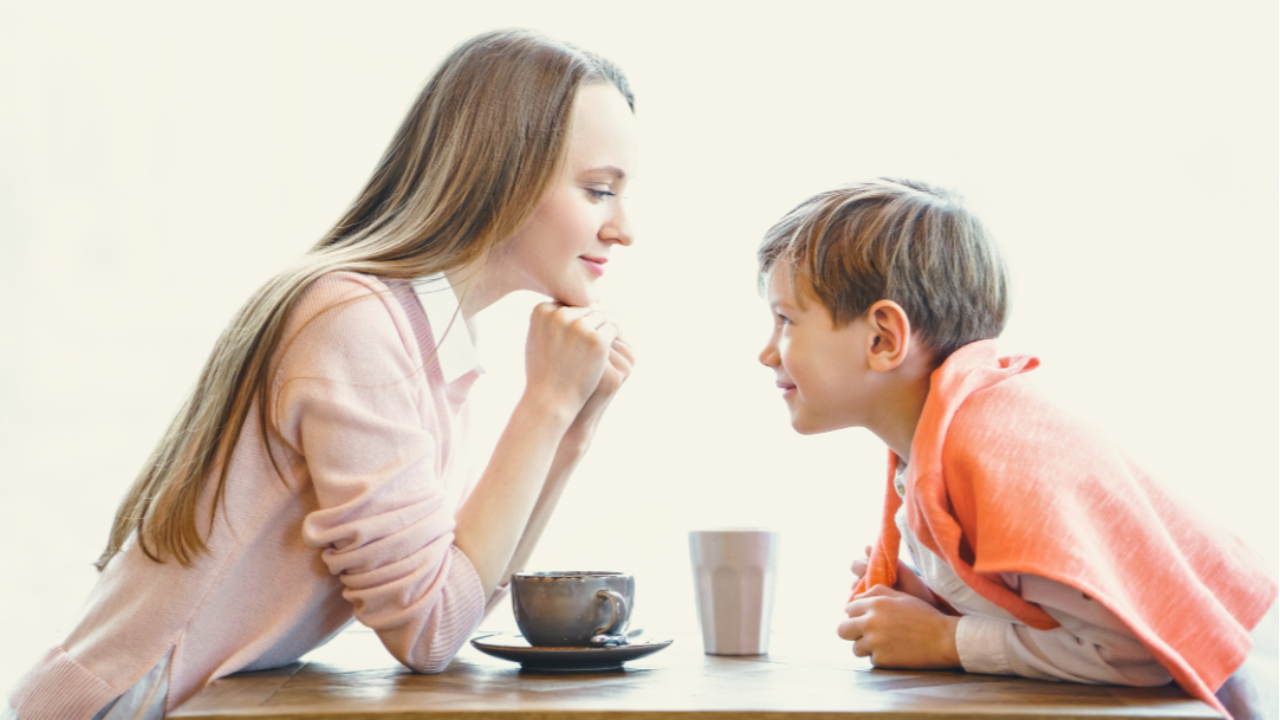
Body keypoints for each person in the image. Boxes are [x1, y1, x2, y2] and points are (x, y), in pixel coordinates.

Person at [6, 29, 638, 720]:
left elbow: (461, 591)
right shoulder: (354, 321)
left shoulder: (429, 330)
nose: (624, 228)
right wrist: (544, 405)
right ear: (501, 173)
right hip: (125, 706)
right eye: (599, 190)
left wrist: (571, 428)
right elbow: (430, 629)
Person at [756, 178, 1279, 719]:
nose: (766, 352)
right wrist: (942, 601)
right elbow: (1045, 605)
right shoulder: (944, 434)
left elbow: (1133, 655)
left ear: (883, 338)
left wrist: (945, 640)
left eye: (786, 320)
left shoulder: (989, 452)